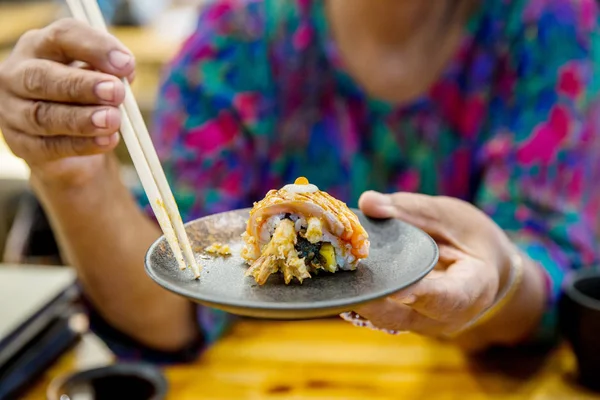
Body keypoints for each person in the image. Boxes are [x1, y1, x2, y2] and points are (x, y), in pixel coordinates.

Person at [0, 0, 599, 362]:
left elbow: (561, 282)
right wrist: (69, 173)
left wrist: (502, 275)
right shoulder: (242, 30)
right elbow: (180, 291)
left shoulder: (557, 23)